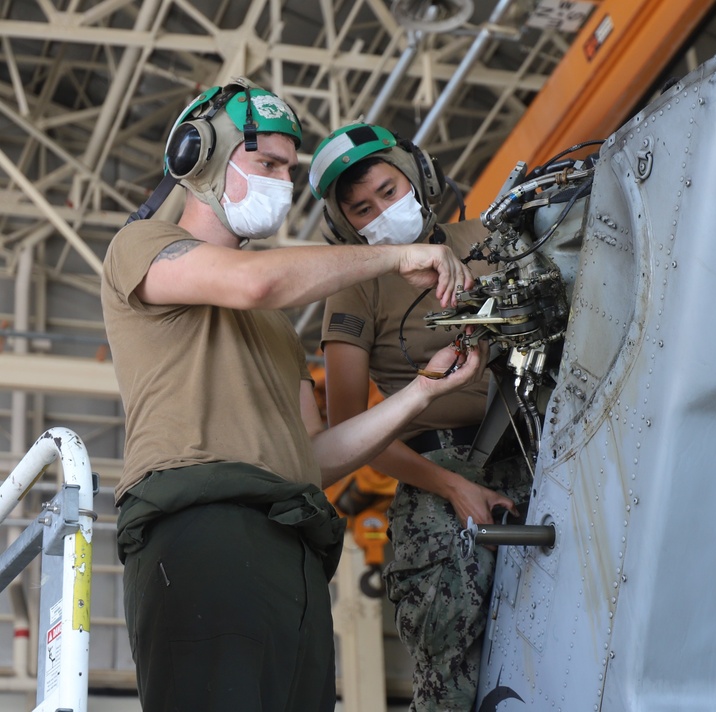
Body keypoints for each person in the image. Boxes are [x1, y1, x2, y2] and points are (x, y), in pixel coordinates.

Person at [100, 79, 486, 712]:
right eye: (267, 163)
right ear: (201, 157)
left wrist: (421, 392)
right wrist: (392, 259)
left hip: (293, 544)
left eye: (288, 167)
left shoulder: (276, 328)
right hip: (203, 528)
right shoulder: (140, 248)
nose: (281, 180)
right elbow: (256, 283)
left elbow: (321, 456)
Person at [309, 122, 533, 711]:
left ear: (418, 179)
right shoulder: (354, 289)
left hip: (540, 453)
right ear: (345, 226)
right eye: (361, 209)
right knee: (451, 661)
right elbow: (350, 436)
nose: (381, 210)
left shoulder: (492, 239)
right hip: (440, 474)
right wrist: (454, 488)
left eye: (388, 191)